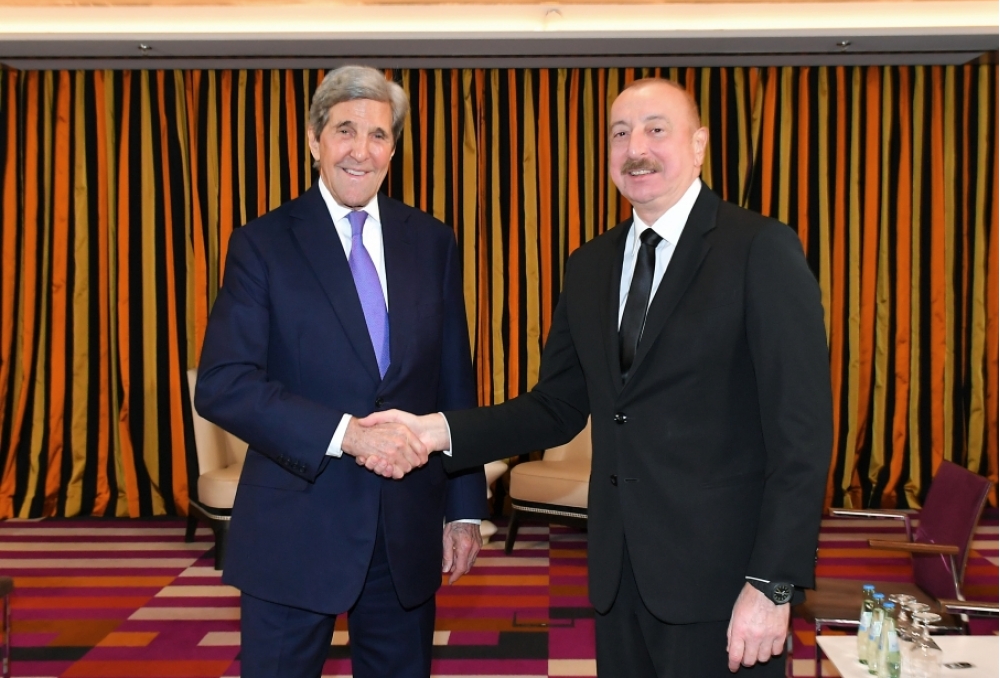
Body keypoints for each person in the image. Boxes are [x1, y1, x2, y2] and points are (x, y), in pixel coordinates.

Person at [360, 78, 833, 677]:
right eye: (620, 133)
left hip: (726, 585)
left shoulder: (760, 249)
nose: (636, 148)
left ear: (699, 144)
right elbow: (555, 407)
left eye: (656, 130)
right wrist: (437, 431)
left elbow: (802, 436)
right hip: (618, 580)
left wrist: (772, 585)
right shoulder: (589, 266)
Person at [194, 65, 487, 678]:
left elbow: (453, 382)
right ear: (314, 140)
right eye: (345, 130)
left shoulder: (432, 241)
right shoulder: (263, 244)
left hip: (405, 530)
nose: (361, 150)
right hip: (295, 527)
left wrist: (463, 508)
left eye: (378, 135)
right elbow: (224, 382)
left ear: (394, 149)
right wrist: (346, 435)